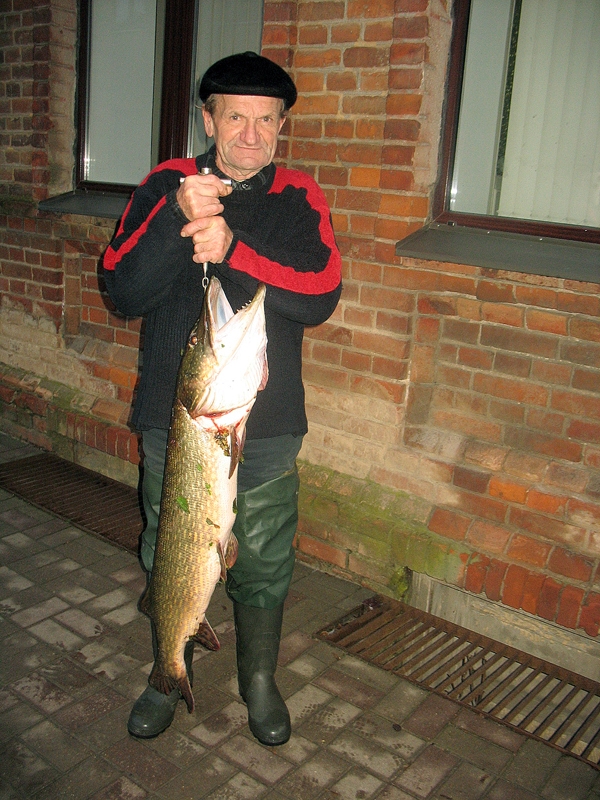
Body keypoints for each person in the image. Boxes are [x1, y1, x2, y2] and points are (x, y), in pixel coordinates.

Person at [103, 51, 342, 746]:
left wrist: (233, 248)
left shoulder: (298, 195)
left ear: (280, 127)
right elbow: (120, 289)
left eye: (266, 120)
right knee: (168, 546)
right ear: (208, 119)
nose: (250, 133)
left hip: (264, 427)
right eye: (235, 115)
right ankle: (164, 668)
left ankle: (258, 680)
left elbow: (319, 293)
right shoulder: (165, 183)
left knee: (263, 558)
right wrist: (177, 224)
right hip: (174, 419)